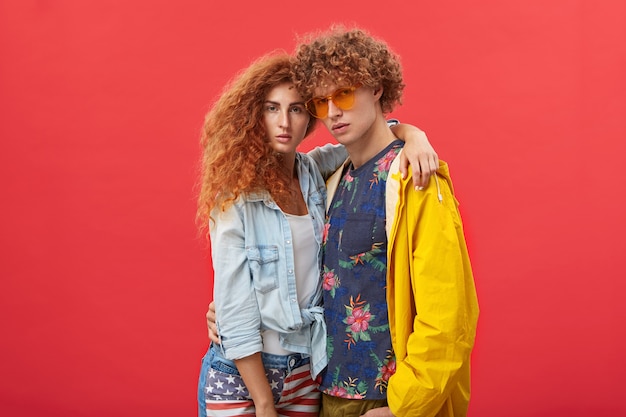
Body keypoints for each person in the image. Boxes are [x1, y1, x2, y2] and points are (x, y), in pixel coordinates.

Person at [196, 51, 439, 417]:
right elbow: (235, 307)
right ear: (253, 115)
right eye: (271, 108)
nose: (284, 122)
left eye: (296, 109)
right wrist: (263, 403)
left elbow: (368, 139)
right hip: (244, 377)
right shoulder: (235, 197)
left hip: (307, 372)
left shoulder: (312, 171)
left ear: (309, 115)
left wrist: (414, 136)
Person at [290, 26, 480, 416]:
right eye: (322, 102)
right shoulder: (329, 181)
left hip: (391, 401)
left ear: (376, 87)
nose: (334, 112)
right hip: (327, 395)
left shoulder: (416, 179)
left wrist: (402, 408)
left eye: (343, 93)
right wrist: (231, 307)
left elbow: (448, 317)